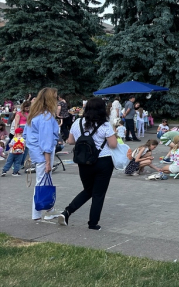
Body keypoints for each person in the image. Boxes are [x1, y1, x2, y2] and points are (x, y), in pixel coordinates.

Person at [58, 97, 118, 230]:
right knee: (98, 193)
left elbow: (70, 141)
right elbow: (113, 145)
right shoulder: (105, 125)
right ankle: (93, 223)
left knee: (88, 190)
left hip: (83, 161)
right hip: (103, 161)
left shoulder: (78, 123)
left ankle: (67, 212)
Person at [24, 88, 60, 220]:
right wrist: (48, 162)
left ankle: (47, 210)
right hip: (43, 154)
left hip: (36, 153)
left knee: (43, 182)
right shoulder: (46, 117)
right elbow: (46, 141)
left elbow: (27, 135)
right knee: (42, 183)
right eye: (55, 97)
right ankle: (40, 213)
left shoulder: (34, 115)